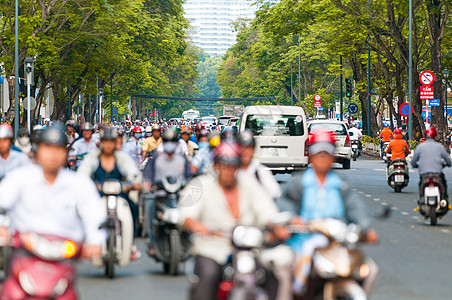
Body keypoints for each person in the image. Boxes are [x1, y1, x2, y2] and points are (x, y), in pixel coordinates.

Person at [0, 126, 106, 298]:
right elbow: (2, 202)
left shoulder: (79, 184)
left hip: (65, 254)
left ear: (65, 153)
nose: (52, 154)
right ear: (38, 151)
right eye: (48, 148)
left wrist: (95, 241)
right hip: (24, 250)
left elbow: (95, 216)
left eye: (58, 149)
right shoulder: (20, 178)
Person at [179, 141, 288, 300]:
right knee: (209, 275)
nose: (228, 170)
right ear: (216, 165)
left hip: (247, 250)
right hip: (212, 248)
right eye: (224, 164)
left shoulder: (249, 184)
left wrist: (276, 226)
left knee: (270, 277)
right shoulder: (200, 185)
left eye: (233, 165)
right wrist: (196, 225)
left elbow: (267, 211)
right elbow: (186, 213)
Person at [277, 130, 377, 298]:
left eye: (326, 153)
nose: (322, 158)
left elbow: (356, 208)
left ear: (333, 157)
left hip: (338, 244)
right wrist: (291, 219)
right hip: (303, 241)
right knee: (283, 269)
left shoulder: (341, 185)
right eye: (318, 153)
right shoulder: (298, 183)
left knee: (370, 269)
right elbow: (283, 203)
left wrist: (366, 229)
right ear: (311, 157)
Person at [78, 127, 143, 259]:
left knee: (133, 208)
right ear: (101, 143)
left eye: (111, 141)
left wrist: (135, 183)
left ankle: (131, 243)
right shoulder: (93, 157)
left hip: (120, 194)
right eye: (105, 141)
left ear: (115, 143)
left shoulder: (122, 158)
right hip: (98, 195)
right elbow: (82, 173)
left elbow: (133, 173)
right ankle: (86, 242)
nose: (108, 145)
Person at [143, 128, 191, 255]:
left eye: (172, 141)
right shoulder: (156, 160)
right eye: (167, 141)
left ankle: (191, 242)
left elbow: (189, 176)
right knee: (150, 209)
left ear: (176, 142)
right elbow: (148, 177)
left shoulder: (182, 160)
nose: (170, 143)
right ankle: (152, 242)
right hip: (160, 197)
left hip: (179, 198)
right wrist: (148, 185)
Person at [237, 130, 281, 200]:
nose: (245, 152)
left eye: (248, 148)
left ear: (253, 149)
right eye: (242, 148)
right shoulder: (231, 170)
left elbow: (275, 193)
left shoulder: (261, 172)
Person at [411, 127, 452, 201]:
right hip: (437, 173)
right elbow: (447, 160)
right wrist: (448, 164)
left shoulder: (420, 147)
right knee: (443, 182)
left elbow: (413, 161)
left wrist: (415, 165)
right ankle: (444, 198)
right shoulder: (439, 146)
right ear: (435, 136)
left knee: (421, 183)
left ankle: (422, 199)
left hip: (424, 173)